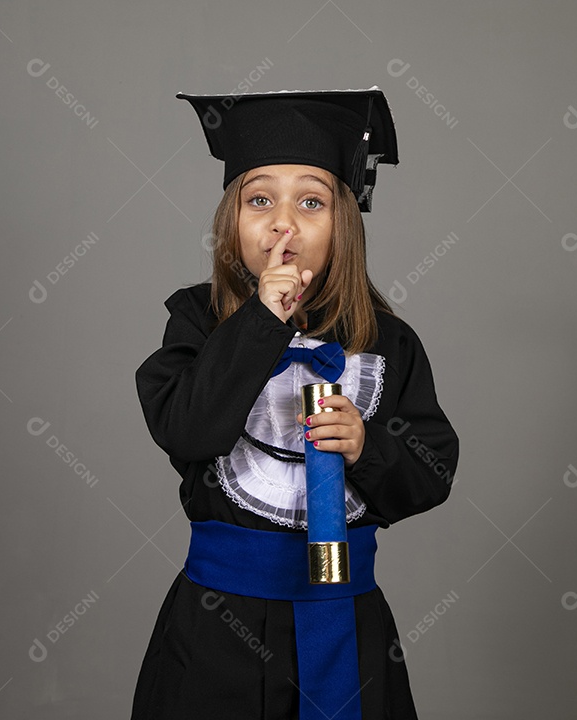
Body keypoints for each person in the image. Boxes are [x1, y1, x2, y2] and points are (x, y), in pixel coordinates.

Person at [131, 87, 459, 720]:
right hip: (216, 625)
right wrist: (258, 323)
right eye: (260, 200)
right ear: (231, 222)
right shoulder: (196, 321)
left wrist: (368, 447)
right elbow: (186, 430)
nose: (284, 222)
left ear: (345, 225)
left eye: (311, 201)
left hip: (347, 619)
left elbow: (433, 473)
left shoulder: (389, 343)